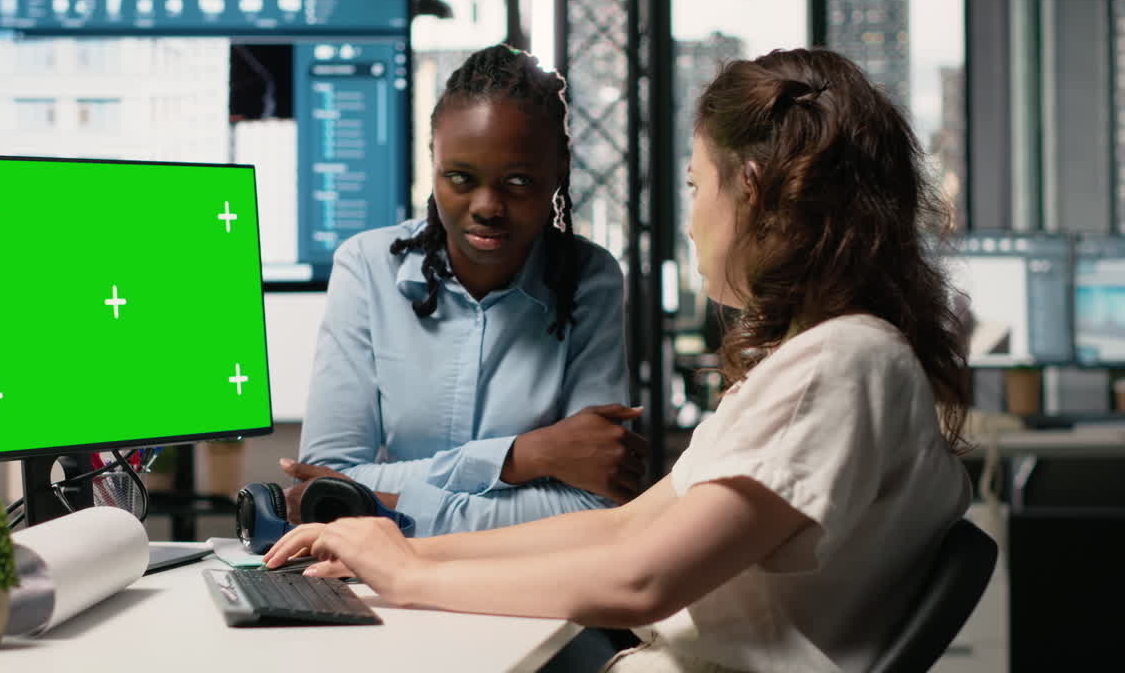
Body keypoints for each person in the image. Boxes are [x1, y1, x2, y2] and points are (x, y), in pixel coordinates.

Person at [265, 48, 976, 673]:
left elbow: (642, 582)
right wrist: (409, 555)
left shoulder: (840, 365)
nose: (691, 218)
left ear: (752, 190)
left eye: (696, 187)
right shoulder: (825, 360)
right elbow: (622, 526)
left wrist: (410, 574)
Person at [279, 44, 646, 537]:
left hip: (530, 590)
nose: (487, 206)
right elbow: (326, 482)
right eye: (460, 178)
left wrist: (384, 506)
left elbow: (595, 507)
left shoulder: (588, 278)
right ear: (433, 160)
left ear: (558, 171)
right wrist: (523, 457)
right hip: (387, 583)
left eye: (518, 181)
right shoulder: (367, 268)